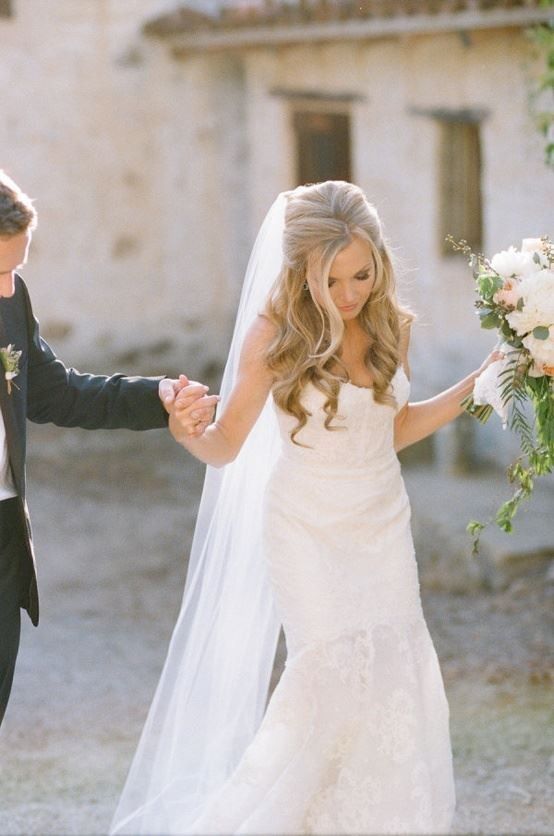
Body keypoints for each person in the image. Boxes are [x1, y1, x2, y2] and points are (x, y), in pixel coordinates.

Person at [112, 181, 503, 835]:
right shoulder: (273, 335)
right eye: (331, 279)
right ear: (300, 272)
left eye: (361, 273)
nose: (349, 294)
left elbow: (393, 429)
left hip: (381, 520)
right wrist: (186, 429)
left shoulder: (390, 326)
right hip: (305, 527)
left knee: (391, 673)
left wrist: (480, 381)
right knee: (325, 678)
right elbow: (225, 444)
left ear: (379, 262)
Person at [0, 170, 216, 728]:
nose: (9, 286)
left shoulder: (12, 299)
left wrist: (159, 397)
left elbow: (60, 392)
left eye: (16, 269)